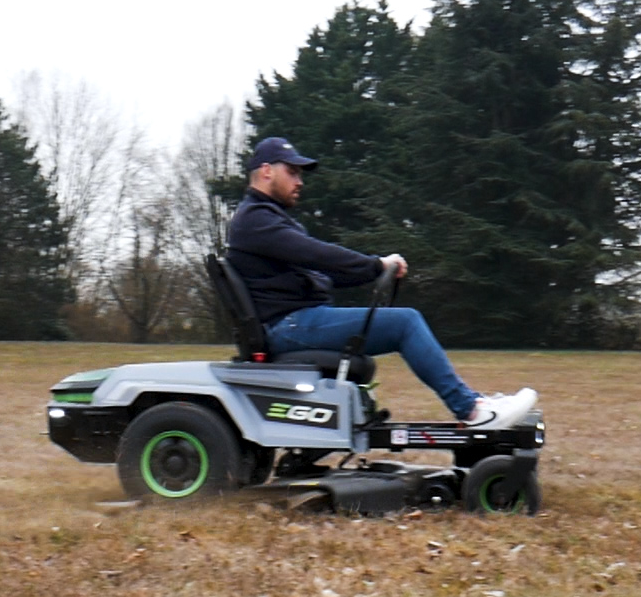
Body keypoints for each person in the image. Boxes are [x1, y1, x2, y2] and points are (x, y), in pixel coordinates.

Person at [226, 137, 538, 429]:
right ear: (266, 171)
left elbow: (323, 274)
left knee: (402, 321)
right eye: (292, 172)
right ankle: (472, 411)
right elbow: (317, 254)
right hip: (288, 326)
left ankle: (473, 404)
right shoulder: (256, 219)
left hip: (295, 322)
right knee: (405, 323)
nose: (300, 182)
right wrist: (376, 265)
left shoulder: (266, 218)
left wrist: (374, 271)